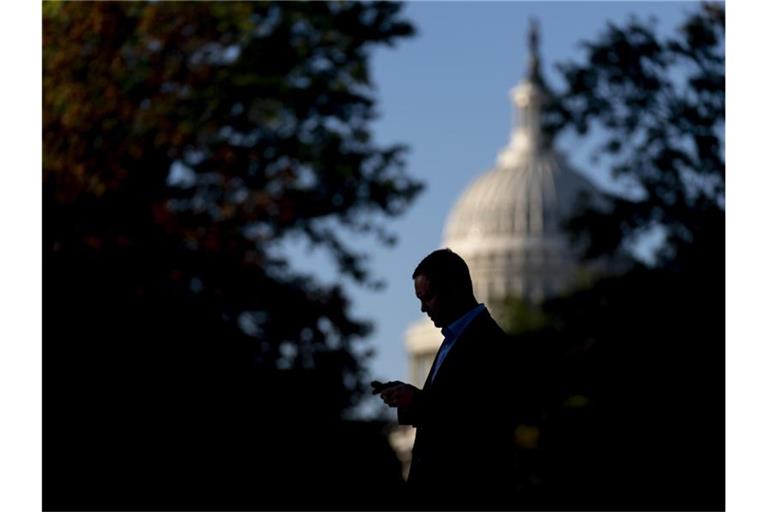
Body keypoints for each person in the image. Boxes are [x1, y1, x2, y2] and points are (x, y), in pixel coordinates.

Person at [373, 249, 520, 509]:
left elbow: (478, 421)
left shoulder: (490, 344)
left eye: (428, 297)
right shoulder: (452, 340)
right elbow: (448, 405)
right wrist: (410, 398)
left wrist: (418, 401)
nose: (422, 308)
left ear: (453, 289)